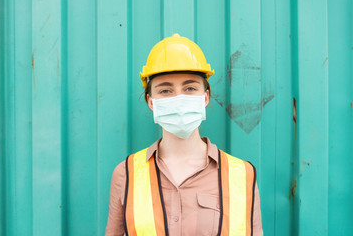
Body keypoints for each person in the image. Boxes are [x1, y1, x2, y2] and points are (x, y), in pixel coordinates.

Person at [106, 33, 263, 236]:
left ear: (205, 97)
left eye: (190, 88)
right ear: (150, 101)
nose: (179, 98)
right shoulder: (126, 174)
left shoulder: (242, 175)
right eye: (165, 91)